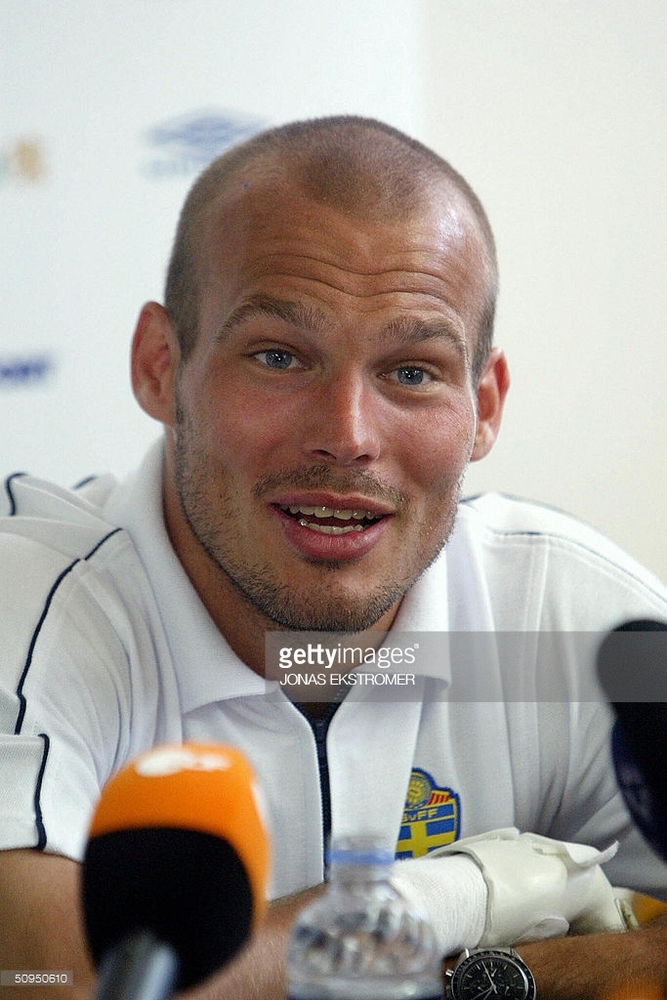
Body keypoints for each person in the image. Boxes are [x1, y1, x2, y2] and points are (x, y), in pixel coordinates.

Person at [0, 115, 666, 1000]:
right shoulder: (33, 603)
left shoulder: (572, 619)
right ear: (162, 366)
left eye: (412, 371)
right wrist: (471, 891)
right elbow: (59, 983)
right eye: (279, 357)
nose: (346, 437)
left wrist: (498, 980)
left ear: (486, 404)